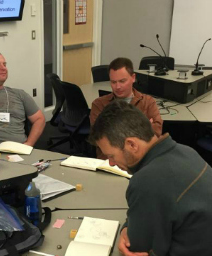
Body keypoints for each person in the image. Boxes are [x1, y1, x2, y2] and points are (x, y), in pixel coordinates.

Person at [89, 100, 212, 256]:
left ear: (131, 145)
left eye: (111, 156)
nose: (111, 163)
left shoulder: (147, 182)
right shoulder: (185, 151)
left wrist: (128, 236)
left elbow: (138, 250)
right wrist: (127, 227)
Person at [89, 57, 163, 159]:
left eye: (122, 81)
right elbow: (99, 138)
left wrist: (115, 133)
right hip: (110, 161)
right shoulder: (99, 104)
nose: (117, 87)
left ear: (133, 78)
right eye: (113, 82)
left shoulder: (148, 102)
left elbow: (156, 133)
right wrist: (141, 129)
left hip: (140, 160)